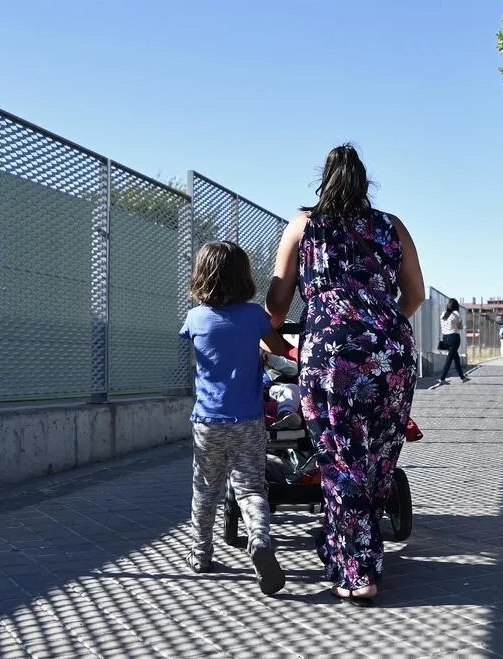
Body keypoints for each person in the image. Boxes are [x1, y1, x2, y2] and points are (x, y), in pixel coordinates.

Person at [265, 144, 425, 604]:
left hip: (331, 354)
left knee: (340, 458)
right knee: (376, 459)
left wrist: (266, 334)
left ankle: (356, 571)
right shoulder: (391, 226)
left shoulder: (304, 224)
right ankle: (345, 549)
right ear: (364, 182)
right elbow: (413, 294)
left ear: (324, 179)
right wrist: (380, 320)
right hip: (390, 352)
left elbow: (277, 304)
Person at [178, 241, 286, 595]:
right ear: (244, 276)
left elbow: (195, 345)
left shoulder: (195, 318)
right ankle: (258, 539)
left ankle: (201, 554)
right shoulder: (255, 316)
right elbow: (279, 347)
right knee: (251, 488)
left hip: (207, 421)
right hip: (249, 420)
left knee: (205, 489)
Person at [439, 298, 470, 384]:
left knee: (456, 358)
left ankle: (462, 377)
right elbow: (459, 327)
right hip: (454, 338)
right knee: (449, 359)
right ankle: (442, 378)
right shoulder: (456, 314)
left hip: (445, 338)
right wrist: (464, 327)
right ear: (456, 306)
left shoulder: (443, 314)